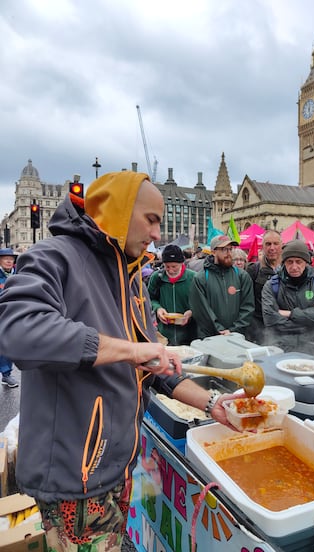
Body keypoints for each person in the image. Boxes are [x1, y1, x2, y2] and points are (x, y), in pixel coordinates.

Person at [0, 171, 240, 552]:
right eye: (151, 219)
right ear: (118, 212)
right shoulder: (53, 255)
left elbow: (154, 364)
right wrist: (131, 350)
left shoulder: (132, 279)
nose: (158, 234)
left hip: (116, 466)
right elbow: (18, 332)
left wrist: (212, 404)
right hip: (72, 478)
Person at [261, 239, 314, 357]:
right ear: (284, 262)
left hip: (313, 350)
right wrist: (311, 320)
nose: (294, 266)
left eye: (298, 261)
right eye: (290, 262)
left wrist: (290, 314)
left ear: (306, 262)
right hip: (280, 349)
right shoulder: (271, 286)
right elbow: (271, 320)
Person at [189, 235, 254, 339]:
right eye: (224, 249)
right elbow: (202, 311)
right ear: (213, 252)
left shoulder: (242, 276)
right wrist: (219, 330)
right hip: (210, 339)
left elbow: (248, 307)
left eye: (230, 249)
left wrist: (233, 330)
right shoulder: (201, 278)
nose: (229, 253)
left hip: (237, 338)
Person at [148, 244, 196, 345]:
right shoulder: (156, 277)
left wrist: (192, 312)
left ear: (182, 263)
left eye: (174, 266)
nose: (170, 270)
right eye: (167, 266)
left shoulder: (193, 278)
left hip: (189, 335)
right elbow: (149, 299)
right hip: (164, 334)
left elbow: (202, 302)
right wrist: (158, 308)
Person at [246, 229, 283, 343]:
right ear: (262, 247)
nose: (272, 248)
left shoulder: (290, 269)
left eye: (275, 243)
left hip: (284, 328)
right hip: (259, 330)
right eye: (268, 244)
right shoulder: (253, 270)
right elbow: (247, 303)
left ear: (282, 246)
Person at [0, 248, 19, 387]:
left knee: (7, 344)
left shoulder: (18, 275)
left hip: (10, 315)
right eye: (5, 258)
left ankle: (6, 375)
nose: (8, 261)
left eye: (11, 259)